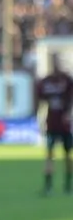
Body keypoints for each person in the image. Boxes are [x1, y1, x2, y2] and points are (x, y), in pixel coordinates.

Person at [35, 55, 73, 196]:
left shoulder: (67, 81)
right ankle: (48, 185)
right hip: (51, 123)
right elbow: (40, 101)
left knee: (68, 155)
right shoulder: (46, 82)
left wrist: (69, 113)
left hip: (65, 125)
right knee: (49, 155)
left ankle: (68, 185)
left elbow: (70, 101)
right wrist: (39, 118)